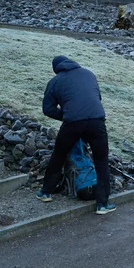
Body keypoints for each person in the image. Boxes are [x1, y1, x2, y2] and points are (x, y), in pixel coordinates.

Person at [36, 56, 115, 214]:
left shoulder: (55, 81)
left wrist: (67, 115)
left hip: (72, 123)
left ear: (56, 68)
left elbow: (48, 109)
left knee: (59, 156)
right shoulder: (89, 74)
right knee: (101, 161)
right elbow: (97, 98)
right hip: (97, 121)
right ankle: (103, 204)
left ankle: (46, 192)